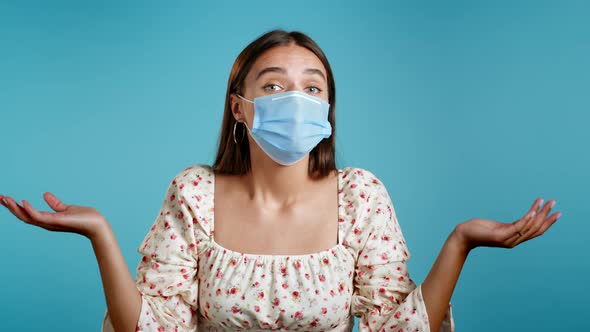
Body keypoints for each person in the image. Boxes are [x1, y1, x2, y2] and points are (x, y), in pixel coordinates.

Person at [0, 29, 561, 332]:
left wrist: (460, 242)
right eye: (273, 86)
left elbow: (398, 328)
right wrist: (99, 233)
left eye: (313, 87)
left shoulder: (361, 197)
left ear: (329, 108)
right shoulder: (194, 194)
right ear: (239, 108)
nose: (296, 99)